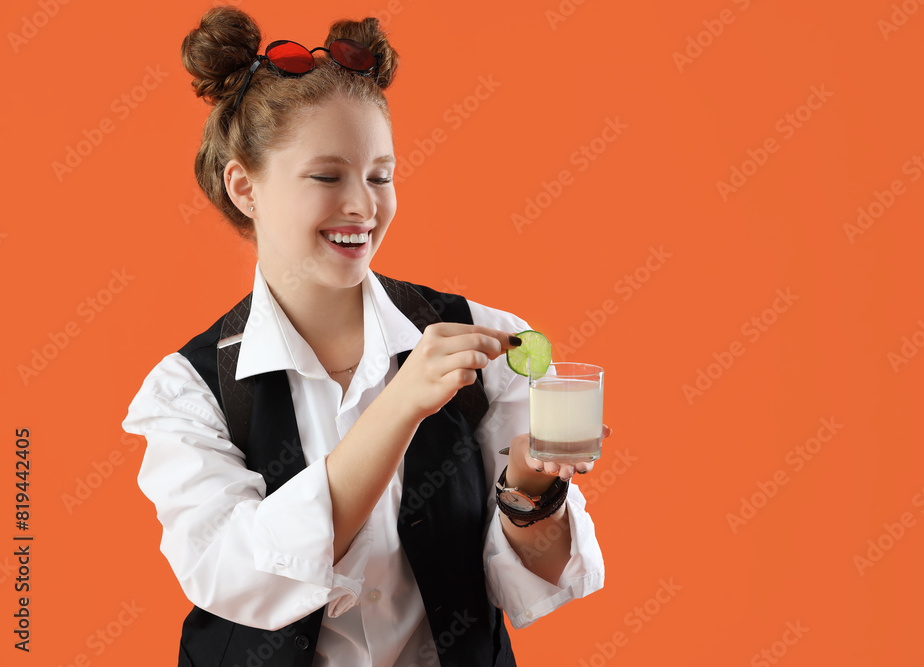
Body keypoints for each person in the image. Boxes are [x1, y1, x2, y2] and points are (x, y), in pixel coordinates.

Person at [122, 6, 605, 667]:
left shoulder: (487, 340)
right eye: (328, 176)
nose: (364, 205)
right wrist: (401, 402)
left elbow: (531, 581)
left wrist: (531, 489)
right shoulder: (188, 391)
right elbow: (241, 578)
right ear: (244, 187)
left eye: (381, 174)